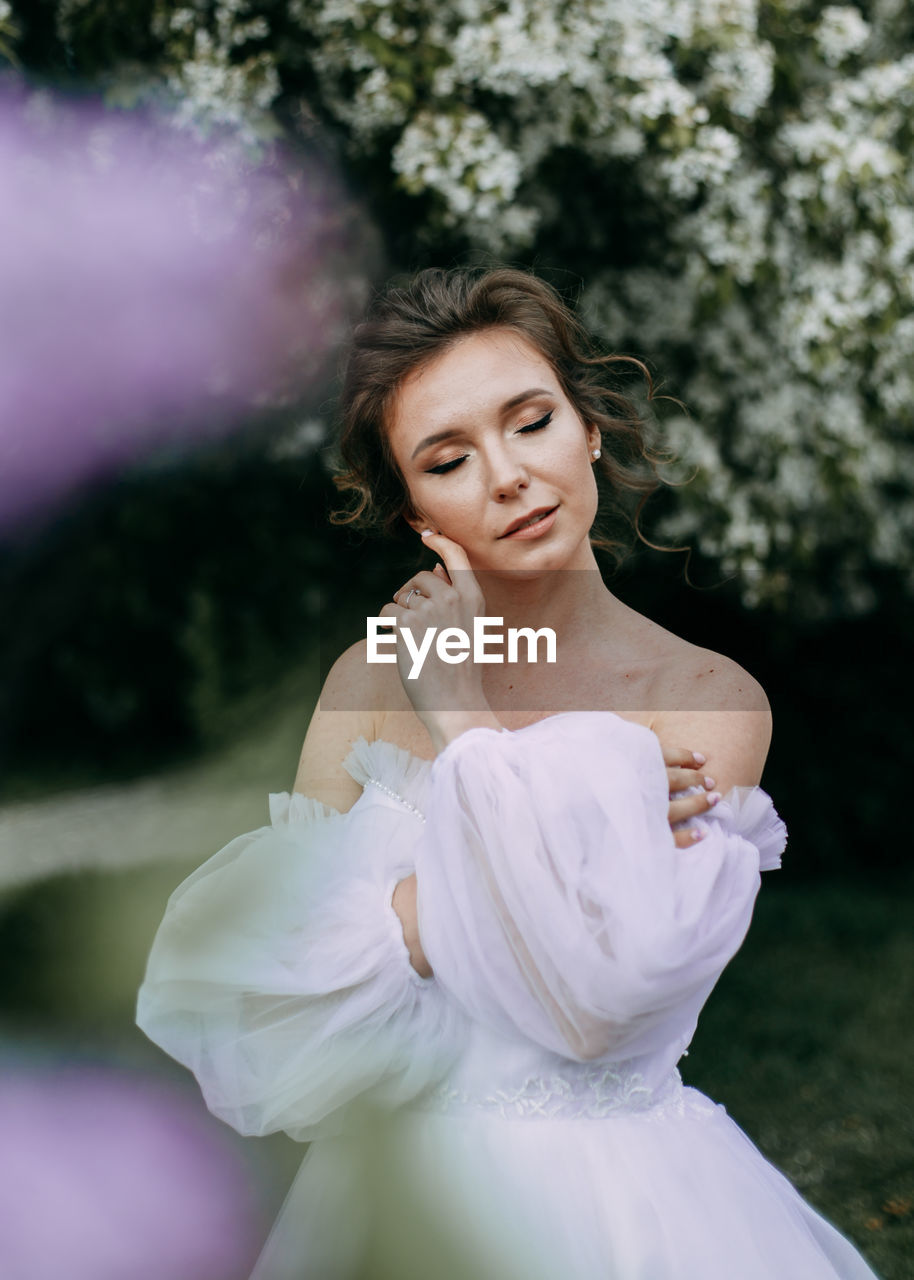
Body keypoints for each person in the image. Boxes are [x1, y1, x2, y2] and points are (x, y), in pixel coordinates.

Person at [137, 267, 880, 1279]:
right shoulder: (369, 675)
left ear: (589, 430)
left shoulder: (701, 695)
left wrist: (460, 720)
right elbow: (263, 983)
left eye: (529, 421)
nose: (507, 476)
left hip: (623, 1207)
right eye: (448, 457)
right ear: (414, 512)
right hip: (394, 1216)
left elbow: (597, 999)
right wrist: (557, 839)